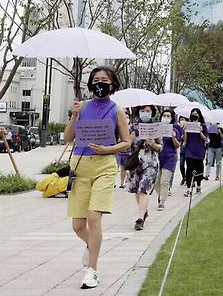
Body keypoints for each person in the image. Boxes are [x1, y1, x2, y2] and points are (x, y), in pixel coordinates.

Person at [63, 66, 131, 289]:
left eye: (105, 80)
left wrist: (106, 149)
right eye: (96, 79)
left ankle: (92, 270)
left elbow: (126, 142)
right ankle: (91, 245)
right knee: (77, 225)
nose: (100, 83)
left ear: (113, 85)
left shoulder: (117, 110)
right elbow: (67, 137)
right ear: (90, 83)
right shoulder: (81, 107)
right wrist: (74, 116)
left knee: (93, 218)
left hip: (104, 166)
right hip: (80, 166)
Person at [126, 105, 162, 230]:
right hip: (135, 162)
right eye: (142, 111)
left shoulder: (156, 128)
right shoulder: (132, 127)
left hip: (150, 162)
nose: (145, 113)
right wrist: (129, 140)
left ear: (152, 112)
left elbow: (160, 147)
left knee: (144, 189)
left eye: (147, 111)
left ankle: (140, 219)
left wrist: (153, 144)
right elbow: (126, 146)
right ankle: (144, 211)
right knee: (136, 190)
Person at [156, 109, 182, 210]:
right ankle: (160, 196)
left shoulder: (174, 130)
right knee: (156, 183)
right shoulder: (157, 129)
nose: (166, 118)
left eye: (168, 116)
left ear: (171, 118)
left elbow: (177, 145)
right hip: (158, 158)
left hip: (170, 157)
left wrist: (173, 138)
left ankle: (162, 202)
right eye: (164, 116)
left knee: (164, 181)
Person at [183, 108, 207, 196]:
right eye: (193, 113)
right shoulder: (188, 125)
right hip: (189, 150)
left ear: (199, 115)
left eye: (196, 113)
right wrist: (185, 131)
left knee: (199, 168)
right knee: (189, 168)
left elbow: (206, 139)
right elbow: (185, 140)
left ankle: (198, 185)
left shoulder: (203, 125)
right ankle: (189, 188)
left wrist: (200, 131)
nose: (195, 115)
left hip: (199, 150)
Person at [116, 109, 132, 188]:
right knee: (118, 167)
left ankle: (125, 182)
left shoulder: (131, 128)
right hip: (118, 151)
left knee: (125, 168)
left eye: (127, 117)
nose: (126, 119)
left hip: (128, 151)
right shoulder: (117, 127)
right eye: (124, 117)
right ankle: (120, 182)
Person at [177, 115, 189, 186]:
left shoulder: (188, 129)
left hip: (188, 150)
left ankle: (188, 178)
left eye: (183, 119)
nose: (182, 121)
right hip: (182, 150)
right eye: (180, 119)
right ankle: (184, 177)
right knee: (181, 165)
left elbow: (187, 139)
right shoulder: (179, 129)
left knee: (188, 165)